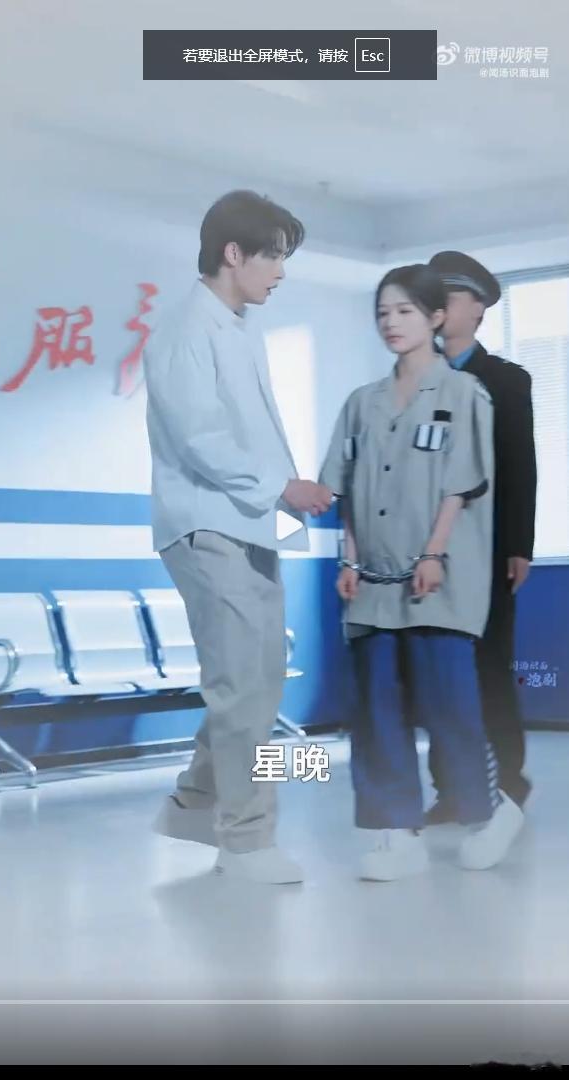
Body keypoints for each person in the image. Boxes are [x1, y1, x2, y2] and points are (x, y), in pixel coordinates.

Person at [143, 190, 333, 884]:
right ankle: (246, 842)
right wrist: (283, 487)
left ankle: (194, 808)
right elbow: (201, 438)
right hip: (206, 526)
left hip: (249, 523)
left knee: (258, 681)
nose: (281, 272)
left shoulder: (238, 326)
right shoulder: (184, 330)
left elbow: (249, 436)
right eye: (273, 256)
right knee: (240, 686)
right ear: (233, 253)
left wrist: (284, 500)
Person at [319, 263, 524, 882]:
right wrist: (349, 558)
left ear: (435, 317)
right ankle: (396, 833)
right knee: (376, 711)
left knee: (448, 704)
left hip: (440, 578)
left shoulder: (465, 394)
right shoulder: (361, 403)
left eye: (405, 311)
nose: (391, 322)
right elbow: (347, 488)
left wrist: (434, 554)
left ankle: (490, 813)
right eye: (382, 312)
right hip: (372, 583)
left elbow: (460, 484)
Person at [426, 251, 537, 820]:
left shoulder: (506, 380)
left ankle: (507, 784)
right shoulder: (414, 380)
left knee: (489, 668)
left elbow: (520, 467)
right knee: (439, 674)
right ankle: (450, 789)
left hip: (489, 549)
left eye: (450, 297)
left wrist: (520, 545)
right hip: (430, 554)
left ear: (478, 310)